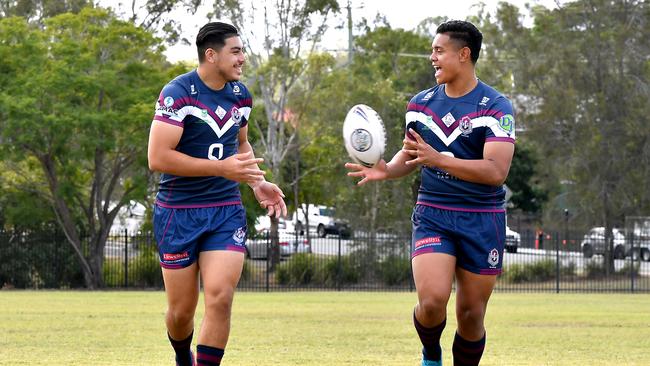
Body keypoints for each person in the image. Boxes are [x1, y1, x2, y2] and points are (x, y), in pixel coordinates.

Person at [346, 20, 515, 366]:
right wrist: (387, 169)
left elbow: (496, 172)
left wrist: (438, 159)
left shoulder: (496, 106)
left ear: (464, 54)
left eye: (439, 51)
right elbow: (411, 156)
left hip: (482, 219)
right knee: (432, 301)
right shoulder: (420, 105)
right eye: (432, 51)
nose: (432, 57)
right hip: (434, 213)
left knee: (470, 315)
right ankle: (431, 352)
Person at [147, 22, 287, 366]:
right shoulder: (178, 93)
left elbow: (240, 145)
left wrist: (256, 182)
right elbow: (157, 157)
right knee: (181, 314)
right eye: (235, 51)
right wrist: (221, 168)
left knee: (221, 298)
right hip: (178, 212)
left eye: (242, 50)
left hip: (225, 209)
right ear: (212, 55)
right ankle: (183, 356)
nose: (242, 58)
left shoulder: (240, 95)